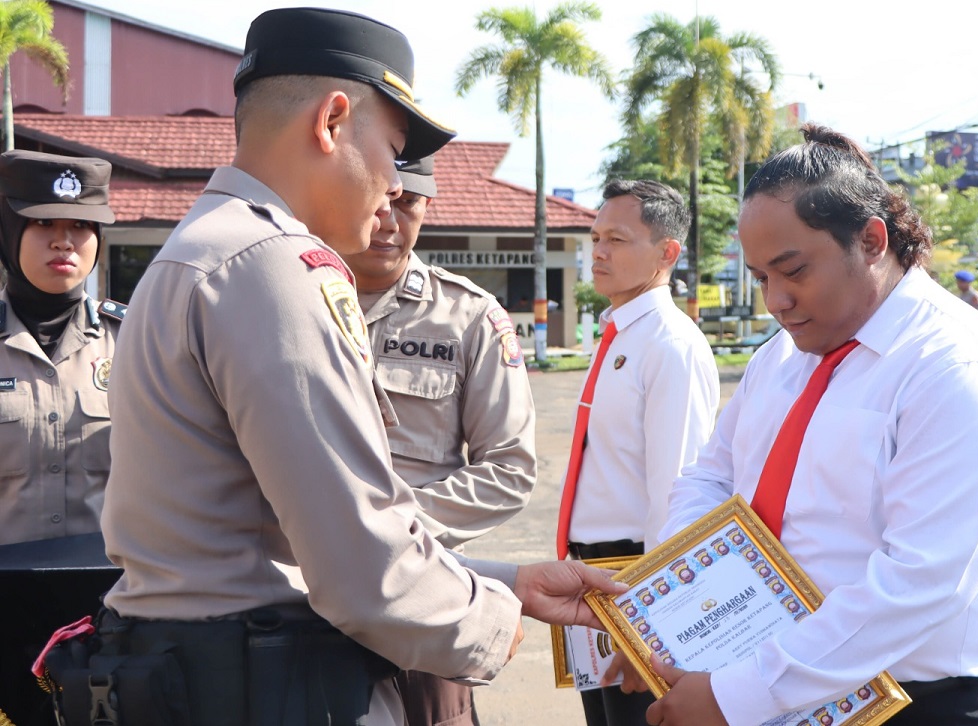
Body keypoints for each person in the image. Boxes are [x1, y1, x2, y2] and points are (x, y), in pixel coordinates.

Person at [93, 9, 620, 726]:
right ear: (332, 121)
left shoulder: (201, 250)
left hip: (212, 669)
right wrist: (491, 620)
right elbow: (363, 574)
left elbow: (275, 540)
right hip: (269, 682)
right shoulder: (275, 266)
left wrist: (507, 580)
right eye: (393, 151)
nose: (393, 185)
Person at [612, 124, 978, 726]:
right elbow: (709, 481)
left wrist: (738, 695)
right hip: (771, 678)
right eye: (761, 278)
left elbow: (920, 583)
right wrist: (676, 618)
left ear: (871, 240)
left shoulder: (962, 369)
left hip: (924, 706)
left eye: (793, 271)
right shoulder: (781, 357)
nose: (776, 301)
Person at [344, 155, 537, 726]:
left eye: (408, 204)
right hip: (304, 596)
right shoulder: (295, 301)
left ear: (426, 208)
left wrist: (391, 531)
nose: (389, 220)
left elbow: (510, 469)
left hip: (425, 593)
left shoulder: (469, 317)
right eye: (381, 200)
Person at [557, 179, 719, 726]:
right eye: (596, 238)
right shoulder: (620, 334)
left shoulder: (671, 344)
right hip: (592, 576)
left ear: (667, 252)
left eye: (618, 240)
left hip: (636, 580)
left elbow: (677, 492)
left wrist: (656, 620)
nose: (599, 252)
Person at [0, 150, 123, 725]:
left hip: (111, 623)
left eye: (80, 225)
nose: (63, 241)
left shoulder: (134, 344)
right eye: (43, 222)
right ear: (8, 230)